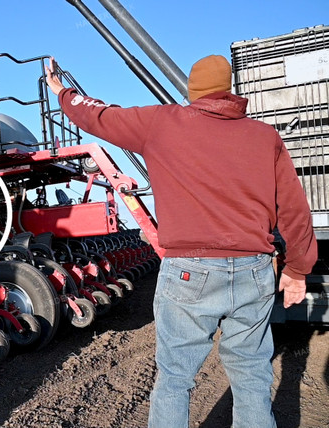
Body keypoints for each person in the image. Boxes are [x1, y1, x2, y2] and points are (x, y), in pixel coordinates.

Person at [45, 55, 317, 428]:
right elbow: (294, 207)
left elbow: (100, 116)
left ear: (193, 89)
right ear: (230, 89)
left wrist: (64, 93)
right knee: (253, 374)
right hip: (255, 268)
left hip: (190, 270)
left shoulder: (162, 123)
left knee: (175, 378)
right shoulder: (264, 136)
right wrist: (298, 269)